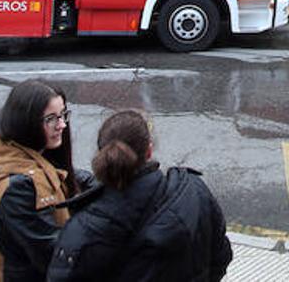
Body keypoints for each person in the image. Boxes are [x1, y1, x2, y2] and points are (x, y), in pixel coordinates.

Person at [47, 110, 232, 281]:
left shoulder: (85, 228)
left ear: (101, 155)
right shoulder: (193, 192)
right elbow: (221, 257)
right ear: (149, 151)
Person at [0, 80, 85, 282]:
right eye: (51, 119)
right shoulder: (18, 188)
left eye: (63, 115)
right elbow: (52, 254)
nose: (62, 125)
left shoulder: (15, 151)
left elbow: (72, 177)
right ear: (26, 121)